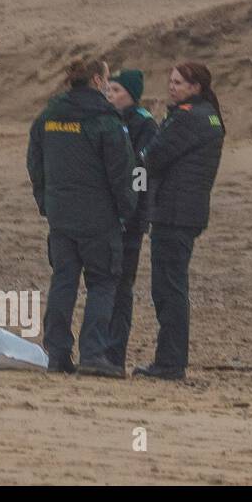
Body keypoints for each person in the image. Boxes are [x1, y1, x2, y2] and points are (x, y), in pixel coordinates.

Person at [26, 57, 136, 377]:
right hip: (98, 218)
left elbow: (35, 162)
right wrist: (126, 210)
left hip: (61, 215)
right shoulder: (106, 121)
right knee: (102, 283)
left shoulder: (48, 117)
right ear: (98, 82)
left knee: (63, 281)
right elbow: (121, 172)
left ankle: (57, 353)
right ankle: (93, 353)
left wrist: (45, 201)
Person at [135, 62, 225, 380]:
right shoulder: (209, 115)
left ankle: (170, 363)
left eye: (179, 82)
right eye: (170, 81)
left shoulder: (187, 117)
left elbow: (153, 157)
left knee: (168, 289)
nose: (172, 87)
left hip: (174, 214)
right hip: (187, 212)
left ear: (196, 87)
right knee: (173, 286)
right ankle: (171, 360)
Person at [103, 68, 158, 369]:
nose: (111, 96)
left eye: (117, 91)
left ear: (132, 95)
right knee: (104, 283)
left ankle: (115, 354)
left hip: (131, 218)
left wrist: (131, 209)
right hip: (107, 216)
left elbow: (141, 171)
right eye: (109, 90)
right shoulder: (110, 121)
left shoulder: (144, 124)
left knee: (121, 286)